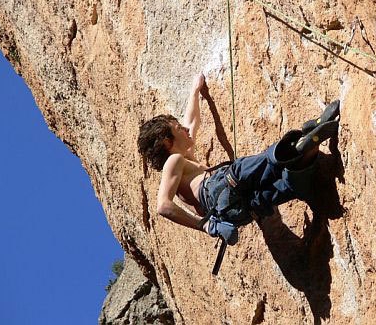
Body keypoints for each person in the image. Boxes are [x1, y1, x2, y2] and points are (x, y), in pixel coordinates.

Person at [137, 74, 340, 246]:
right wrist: (204, 226)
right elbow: (163, 206)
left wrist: (195, 91)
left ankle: (309, 146)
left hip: (233, 211)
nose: (184, 128)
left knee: (288, 185)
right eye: (177, 128)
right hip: (220, 185)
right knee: (267, 162)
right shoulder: (174, 161)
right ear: (166, 142)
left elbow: (192, 121)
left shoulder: (184, 160)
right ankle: (300, 140)